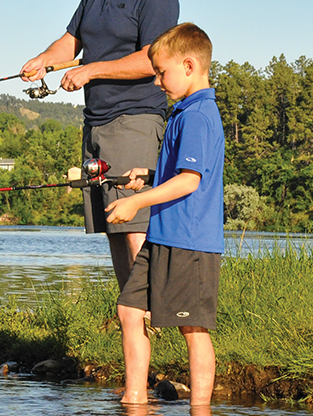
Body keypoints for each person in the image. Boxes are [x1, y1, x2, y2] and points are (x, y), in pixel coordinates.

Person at [21, 0, 179, 289]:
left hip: (136, 120)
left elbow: (152, 59)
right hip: (96, 124)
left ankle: (151, 314)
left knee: (135, 223)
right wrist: (44, 59)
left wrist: (90, 70)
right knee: (112, 223)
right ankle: (132, 317)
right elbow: (71, 41)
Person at [105, 22, 224, 405]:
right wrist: (152, 176)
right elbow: (182, 173)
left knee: (193, 327)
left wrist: (137, 202)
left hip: (188, 240)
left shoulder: (198, 115)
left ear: (189, 66)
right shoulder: (184, 112)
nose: (157, 82)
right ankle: (135, 397)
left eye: (161, 73)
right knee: (128, 309)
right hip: (163, 236)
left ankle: (200, 408)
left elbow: (191, 181)